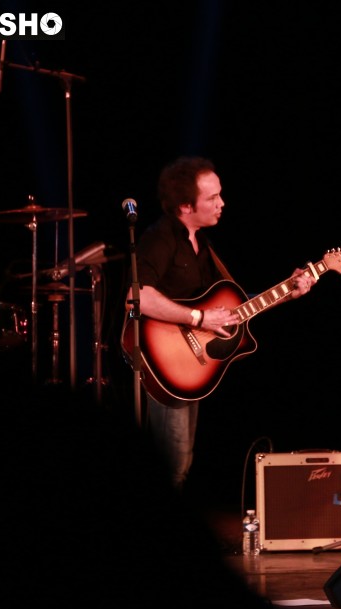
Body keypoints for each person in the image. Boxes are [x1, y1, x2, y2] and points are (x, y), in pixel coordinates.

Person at [131, 156, 316, 490]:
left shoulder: (202, 244)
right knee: (172, 466)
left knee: (182, 463)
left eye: (220, 194)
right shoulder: (160, 238)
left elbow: (234, 309)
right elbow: (138, 296)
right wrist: (198, 317)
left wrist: (289, 292)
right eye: (213, 197)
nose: (222, 203)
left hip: (190, 367)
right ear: (186, 206)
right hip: (164, 362)